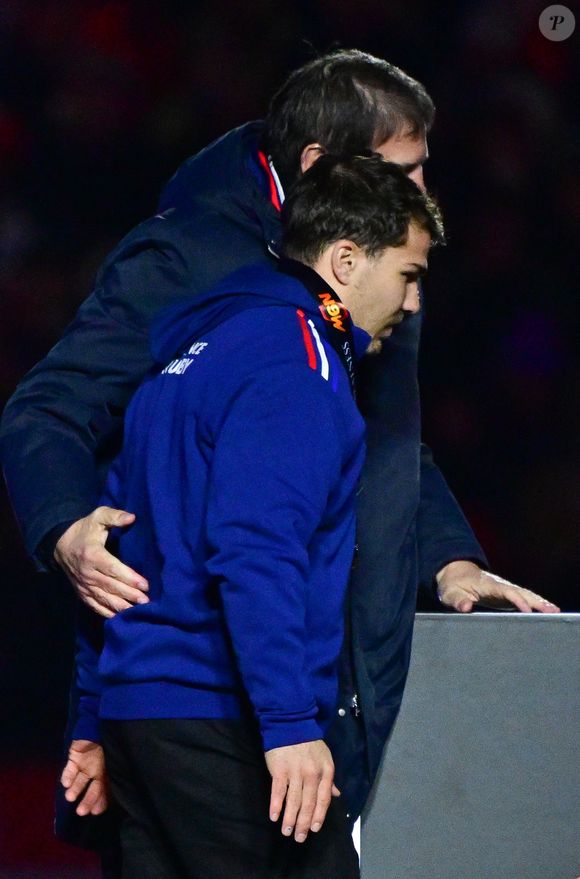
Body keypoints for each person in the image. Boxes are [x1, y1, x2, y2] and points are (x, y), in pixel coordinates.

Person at [0, 47, 558, 857]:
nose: (424, 195)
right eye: (405, 170)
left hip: (256, 676)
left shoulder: (370, 256)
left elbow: (383, 435)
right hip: (222, 696)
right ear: (320, 166)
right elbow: (60, 419)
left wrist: (448, 558)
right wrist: (64, 527)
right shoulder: (192, 261)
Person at [60, 154, 443, 879]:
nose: (414, 302)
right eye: (410, 274)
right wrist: (291, 724)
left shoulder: (194, 352)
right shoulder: (294, 364)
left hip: (141, 718)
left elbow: (115, 541)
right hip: (224, 718)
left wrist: (93, 713)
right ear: (346, 258)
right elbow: (255, 551)